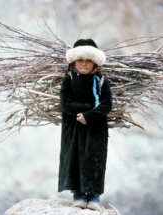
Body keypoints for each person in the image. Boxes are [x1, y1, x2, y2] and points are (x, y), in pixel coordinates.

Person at [58, 39, 112, 210]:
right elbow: (66, 103)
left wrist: (88, 115)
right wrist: (82, 112)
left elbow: (106, 103)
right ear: (74, 61)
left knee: (94, 159)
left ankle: (94, 197)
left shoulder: (101, 81)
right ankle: (79, 195)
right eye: (80, 59)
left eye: (88, 60)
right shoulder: (69, 79)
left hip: (95, 127)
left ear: (94, 62)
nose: (84, 63)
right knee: (74, 158)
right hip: (73, 127)